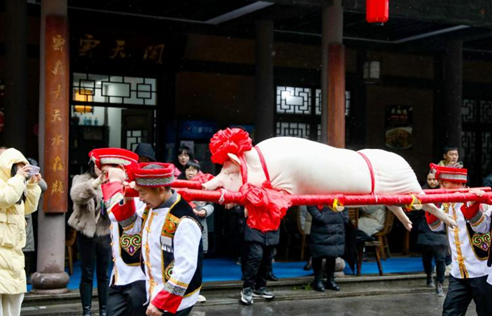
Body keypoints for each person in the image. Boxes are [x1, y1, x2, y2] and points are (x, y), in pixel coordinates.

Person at [123, 162, 202, 316]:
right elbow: (130, 228)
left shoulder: (183, 219)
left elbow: (185, 268)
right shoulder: (153, 207)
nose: (139, 198)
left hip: (175, 301)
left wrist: (162, 302)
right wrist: (126, 199)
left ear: (160, 189)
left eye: (142, 193)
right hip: (154, 291)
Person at [426, 164, 492, 316]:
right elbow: (435, 228)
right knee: (450, 313)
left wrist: (472, 205)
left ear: (458, 183)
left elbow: (482, 228)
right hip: (458, 272)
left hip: (482, 271)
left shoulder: (477, 197)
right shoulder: (445, 203)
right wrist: (429, 207)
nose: (439, 186)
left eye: (443, 183)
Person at [90, 148, 147, 316]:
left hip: (140, 276)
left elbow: (118, 216)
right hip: (118, 276)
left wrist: (113, 185)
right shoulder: (110, 190)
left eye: (107, 173)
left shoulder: (138, 194)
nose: (104, 178)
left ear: (122, 170)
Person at [69, 154, 112, 316]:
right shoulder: (81, 179)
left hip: (103, 232)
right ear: (91, 165)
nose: (100, 168)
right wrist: (96, 183)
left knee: (104, 274)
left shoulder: (111, 182)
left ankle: (103, 311)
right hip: (85, 232)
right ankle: (86, 311)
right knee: (87, 273)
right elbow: (76, 196)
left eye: (103, 165)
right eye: (98, 165)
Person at [0, 148, 42, 316]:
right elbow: (5, 199)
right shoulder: (9, 185)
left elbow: (28, 208)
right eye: (18, 167)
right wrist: (18, 178)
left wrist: (32, 185)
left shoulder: (17, 185)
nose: (22, 171)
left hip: (15, 255)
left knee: (15, 301)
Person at [416, 170, 448, 296]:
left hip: (441, 231)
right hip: (425, 229)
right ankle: (429, 275)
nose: (432, 182)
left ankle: (440, 284)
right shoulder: (420, 192)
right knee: (426, 257)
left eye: (434, 179)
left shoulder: (444, 192)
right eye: (430, 179)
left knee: (441, 259)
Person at [307, 205, 347, 292]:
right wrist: (320, 217)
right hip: (320, 226)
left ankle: (330, 280)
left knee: (332, 253)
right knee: (317, 254)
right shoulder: (316, 192)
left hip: (336, 225)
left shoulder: (335, 193)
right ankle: (318, 280)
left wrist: (344, 217)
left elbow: (342, 204)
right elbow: (310, 204)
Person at [240, 216, 278, 305]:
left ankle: (260, 287)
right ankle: (247, 288)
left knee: (268, 257)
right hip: (254, 222)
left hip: (272, 223)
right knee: (256, 255)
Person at [23, 158, 47, 285]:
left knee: (26, 250)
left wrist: (32, 176)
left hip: (26, 216)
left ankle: (25, 276)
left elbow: (44, 186)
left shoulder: (29, 177)